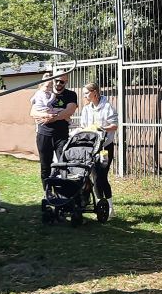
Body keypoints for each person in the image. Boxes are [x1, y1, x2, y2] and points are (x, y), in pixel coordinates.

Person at [30, 69, 78, 187]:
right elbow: (33, 112)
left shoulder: (70, 94)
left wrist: (52, 118)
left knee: (64, 164)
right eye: (56, 81)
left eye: (62, 82)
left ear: (66, 82)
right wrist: (45, 115)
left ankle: (64, 193)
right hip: (44, 134)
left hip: (61, 135)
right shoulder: (42, 93)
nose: (58, 84)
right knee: (45, 166)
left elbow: (69, 111)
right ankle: (47, 193)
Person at [79, 82, 119, 213]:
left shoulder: (107, 106)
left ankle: (110, 206)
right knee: (94, 176)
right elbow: (84, 126)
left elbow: (114, 125)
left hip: (105, 147)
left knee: (102, 176)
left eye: (86, 93)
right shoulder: (86, 109)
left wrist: (101, 128)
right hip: (91, 147)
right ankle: (100, 205)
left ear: (95, 92)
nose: (85, 95)